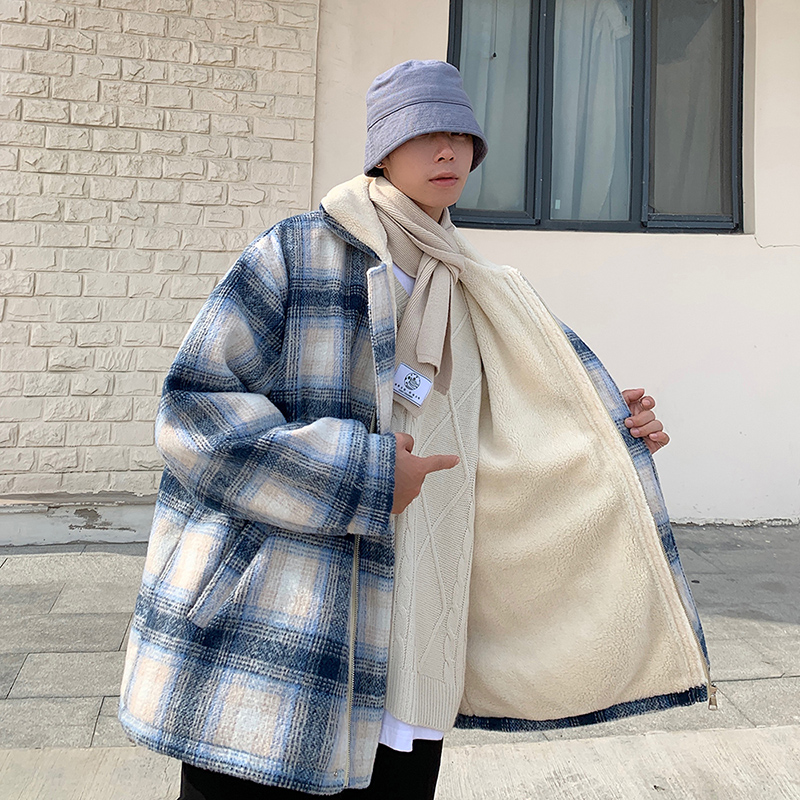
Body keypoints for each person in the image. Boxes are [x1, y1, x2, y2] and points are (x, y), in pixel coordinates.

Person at [119, 60, 709, 799]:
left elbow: (503, 427)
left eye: (462, 137)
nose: (448, 151)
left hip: (413, 634)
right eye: (424, 133)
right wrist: (362, 475)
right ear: (382, 150)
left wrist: (603, 428)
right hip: (279, 629)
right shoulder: (296, 253)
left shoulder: (477, 284)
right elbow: (192, 412)